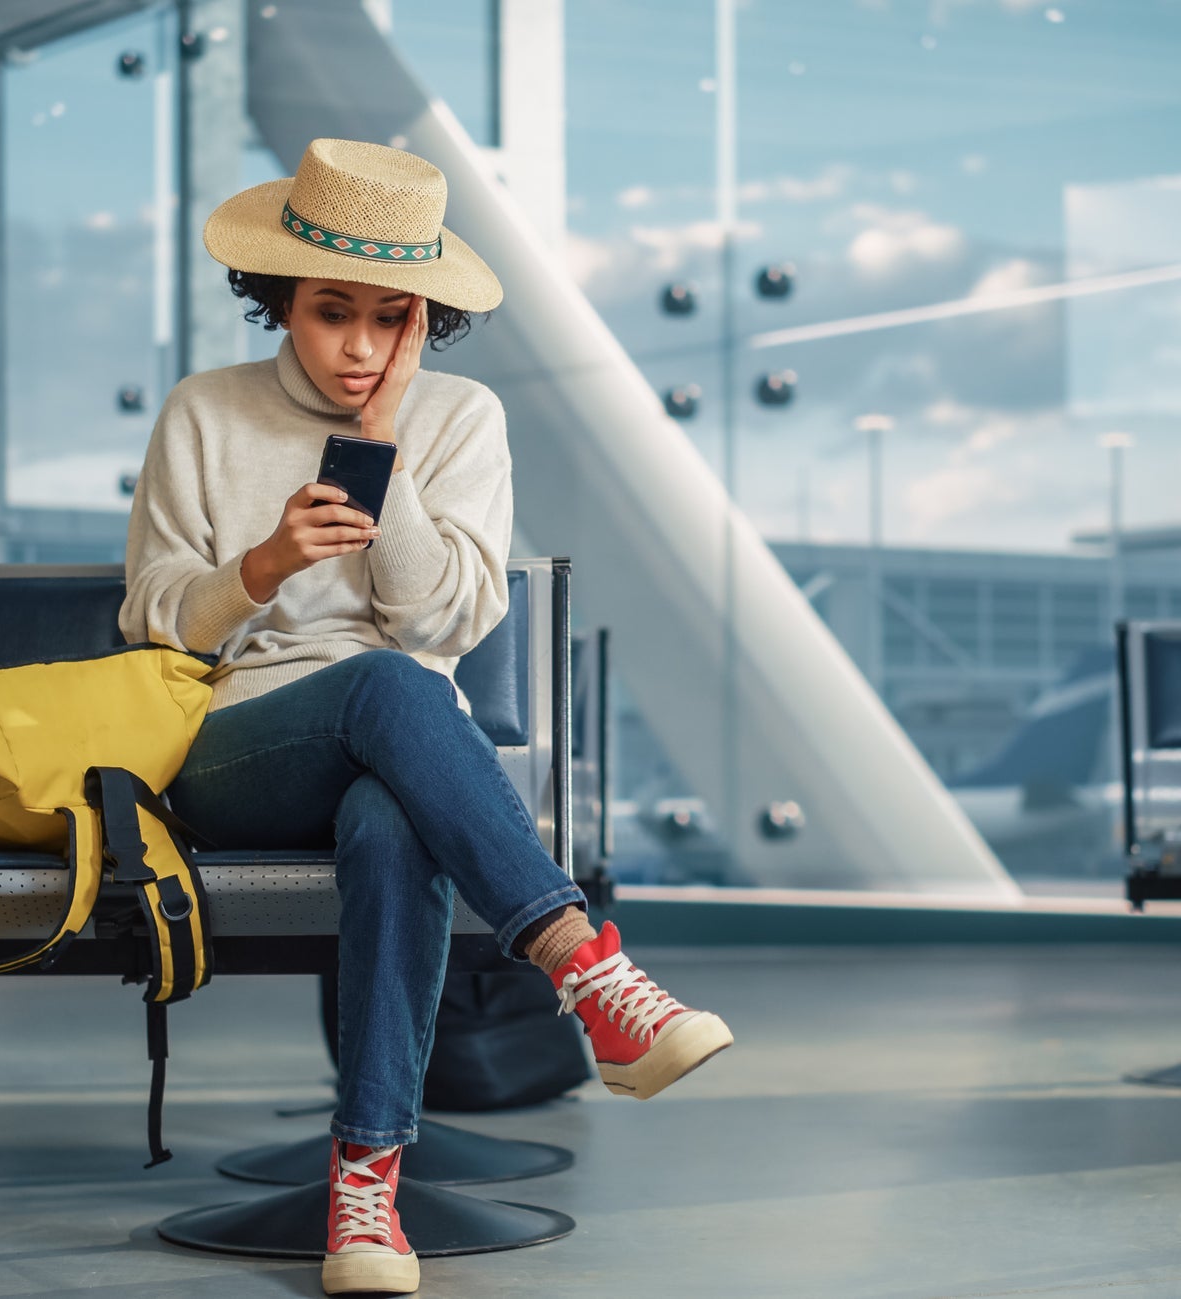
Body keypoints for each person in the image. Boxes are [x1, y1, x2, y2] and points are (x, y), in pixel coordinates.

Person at [123, 139, 733, 1297]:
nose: (356, 347)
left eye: (387, 317)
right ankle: (586, 970)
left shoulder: (460, 419)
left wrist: (379, 455)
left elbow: (440, 621)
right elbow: (155, 628)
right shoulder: (202, 414)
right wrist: (259, 564)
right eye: (328, 312)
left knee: (393, 814)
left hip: (399, 760)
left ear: (423, 318)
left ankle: (366, 1191)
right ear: (278, 303)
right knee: (390, 691)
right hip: (230, 750)